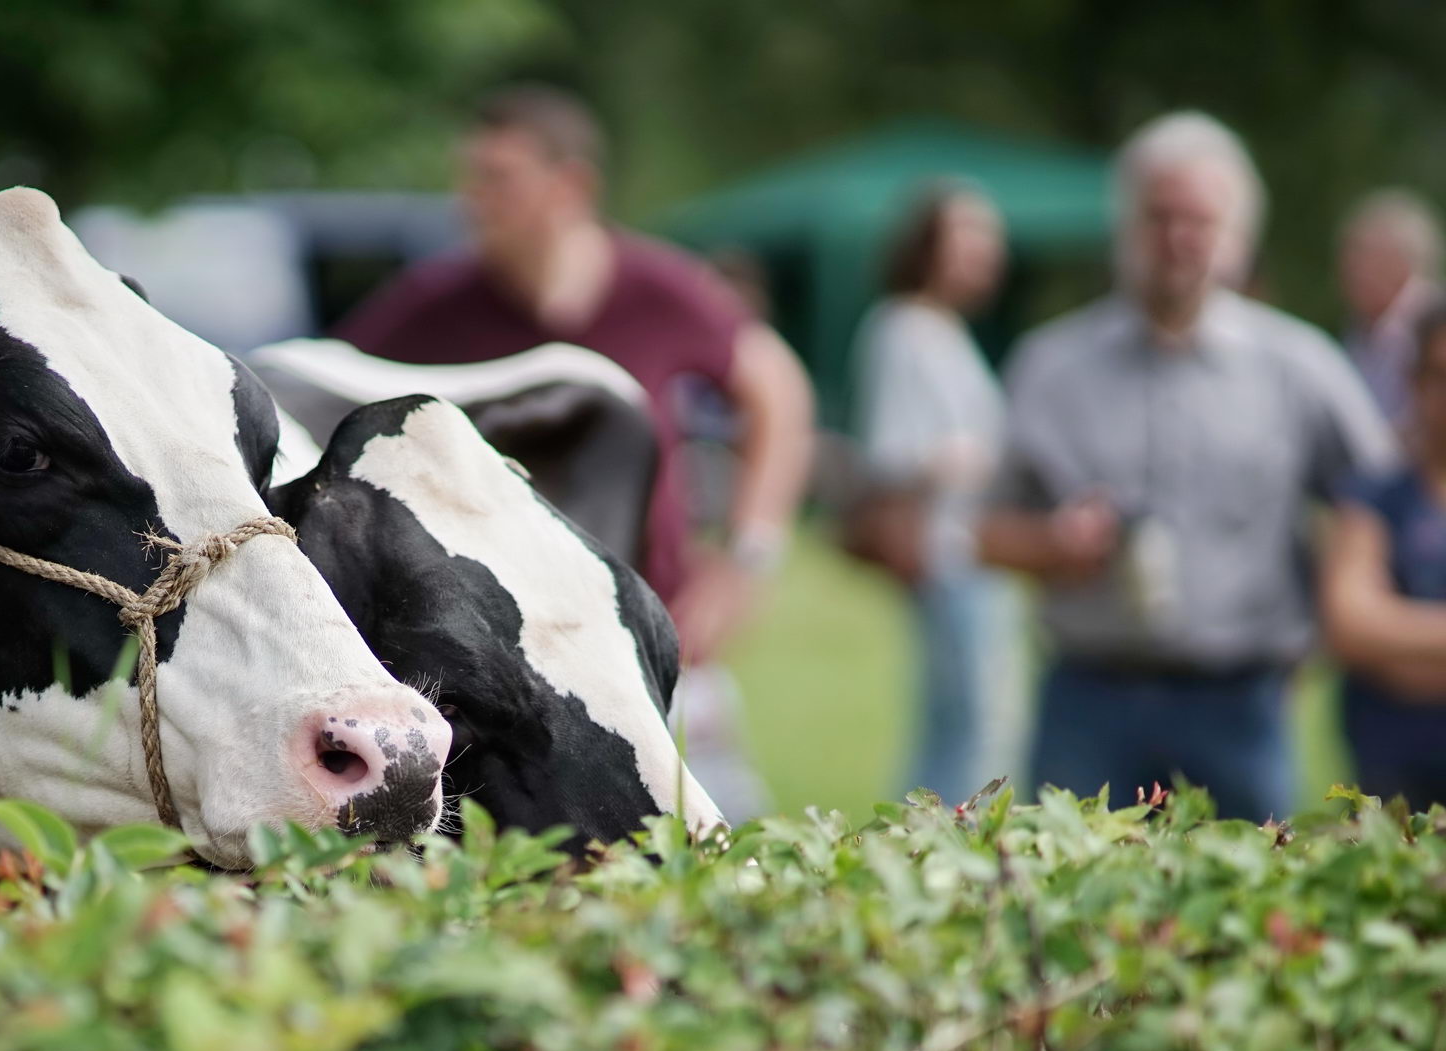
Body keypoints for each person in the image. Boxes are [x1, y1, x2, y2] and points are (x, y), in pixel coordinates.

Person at [980, 111, 1397, 821]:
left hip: (1242, 701)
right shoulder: (1049, 367)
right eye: (1158, 216)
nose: (1177, 238)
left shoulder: (1298, 368)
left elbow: (1382, 501)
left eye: (1199, 220)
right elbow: (982, 530)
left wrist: (1341, 616)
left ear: (1238, 236)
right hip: (1088, 698)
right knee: (1066, 886)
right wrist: (1050, 543)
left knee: (1249, 887)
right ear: (1124, 226)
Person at [336, 84, 815, 668]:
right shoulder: (433, 303)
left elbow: (777, 388)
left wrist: (747, 558)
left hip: (650, 638)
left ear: (571, 186)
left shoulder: (659, 288)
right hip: (501, 650)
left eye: (498, 178)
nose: (470, 200)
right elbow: (322, 385)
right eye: (468, 177)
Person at [851, 183, 1023, 802]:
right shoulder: (904, 327)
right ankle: (941, 836)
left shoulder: (944, 330)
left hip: (975, 548)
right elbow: (890, 452)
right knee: (969, 722)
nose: (984, 253)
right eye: (968, 236)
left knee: (971, 717)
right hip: (946, 550)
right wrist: (964, 460)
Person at [1322, 304, 1446, 806]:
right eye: (1440, 375)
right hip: (1394, 770)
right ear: (1414, 382)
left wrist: (1405, 642)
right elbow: (1351, 622)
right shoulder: (1374, 494)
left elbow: (1378, 627)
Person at [1338, 189, 1442, 433]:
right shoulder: (1359, 330)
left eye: (1365, 255)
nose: (1352, 270)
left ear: (1404, 260)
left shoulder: (1434, 324)